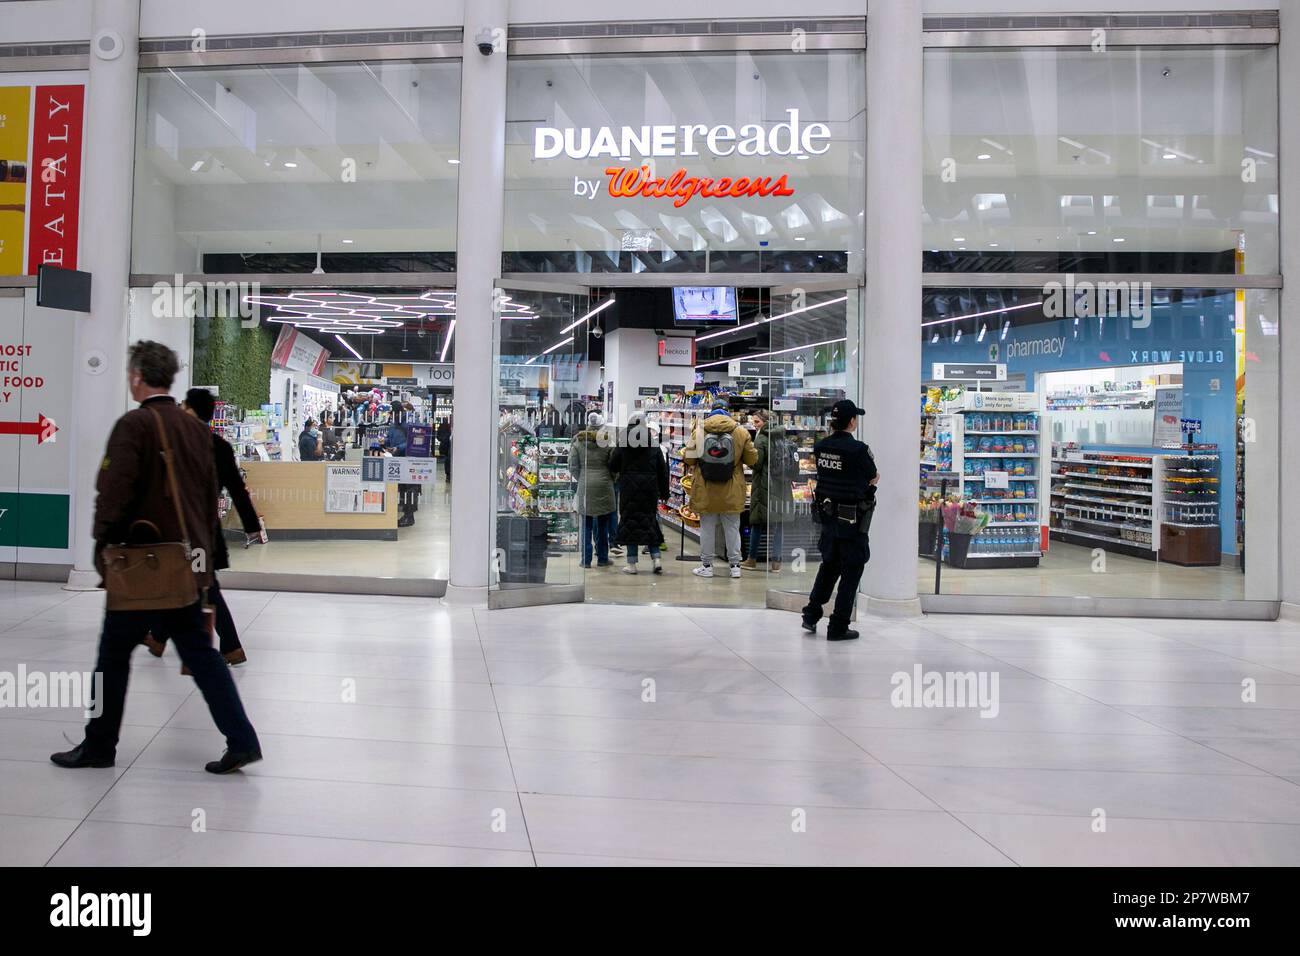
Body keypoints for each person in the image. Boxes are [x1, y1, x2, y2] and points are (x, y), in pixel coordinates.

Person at [50, 341, 262, 775]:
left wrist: (101, 544)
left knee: (111, 657)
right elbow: (208, 499)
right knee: (203, 656)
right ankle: (242, 739)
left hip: (141, 565)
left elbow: (113, 492)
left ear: (137, 377)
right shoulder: (196, 431)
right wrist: (202, 560)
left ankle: (98, 745)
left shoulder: (135, 425)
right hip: (184, 565)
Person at [143, 388, 265, 667]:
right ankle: (159, 638)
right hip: (200, 532)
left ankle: (232, 646)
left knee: (204, 588)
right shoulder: (217, 445)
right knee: (180, 584)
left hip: (189, 533)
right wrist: (250, 524)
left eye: (184, 405)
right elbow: (237, 488)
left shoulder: (180, 444)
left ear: (191, 410)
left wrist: (251, 525)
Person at [801, 399, 878, 642]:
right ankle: (838, 625)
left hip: (827, 517)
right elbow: (873, 477)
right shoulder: (858, 450)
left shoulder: (821, 447)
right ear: (852, 421)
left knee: (829, 565)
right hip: (852, 518)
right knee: (852, 569)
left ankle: (811, 615)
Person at [684, 401, 757, 578]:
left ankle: (707, 566)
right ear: (727, 412)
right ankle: (735, 567)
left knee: (707, 528)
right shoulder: (741, 432)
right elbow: (752, 460)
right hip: (731, 489)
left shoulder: (700, 431)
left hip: (706, 488)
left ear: (711, 413)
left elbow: (689, 459)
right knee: (732, 528)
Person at [609, 414, 669, 575]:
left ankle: (632, 564)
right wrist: (665, 492)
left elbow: (613, 465)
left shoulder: (623, 443)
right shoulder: (654, 444)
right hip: (650, 489)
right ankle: (656, 559)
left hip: (629, 488)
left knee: (630, 523)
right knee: (650, 522)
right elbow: (663, 471)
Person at [743, 408, 797, 573]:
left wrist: (748, 461)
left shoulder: (762, 438)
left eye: (757, 421)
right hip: (782, 486)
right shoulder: (783, 436)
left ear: (765, 422)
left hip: (765, 486)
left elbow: (757, 464)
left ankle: (751, 559)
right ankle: (776, 563)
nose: (754, 424)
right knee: (778, 525)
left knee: (757, 522)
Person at [570, 411, 617, 568]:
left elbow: (572, 466)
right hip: (604, 486)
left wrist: (582, 478)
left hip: (585, 486)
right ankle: (602, 559)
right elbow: (615, 466)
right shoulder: (608, 442)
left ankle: (586, 560)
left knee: (586, 525)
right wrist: (611, 478)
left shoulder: (577, 442)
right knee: (603, 525)